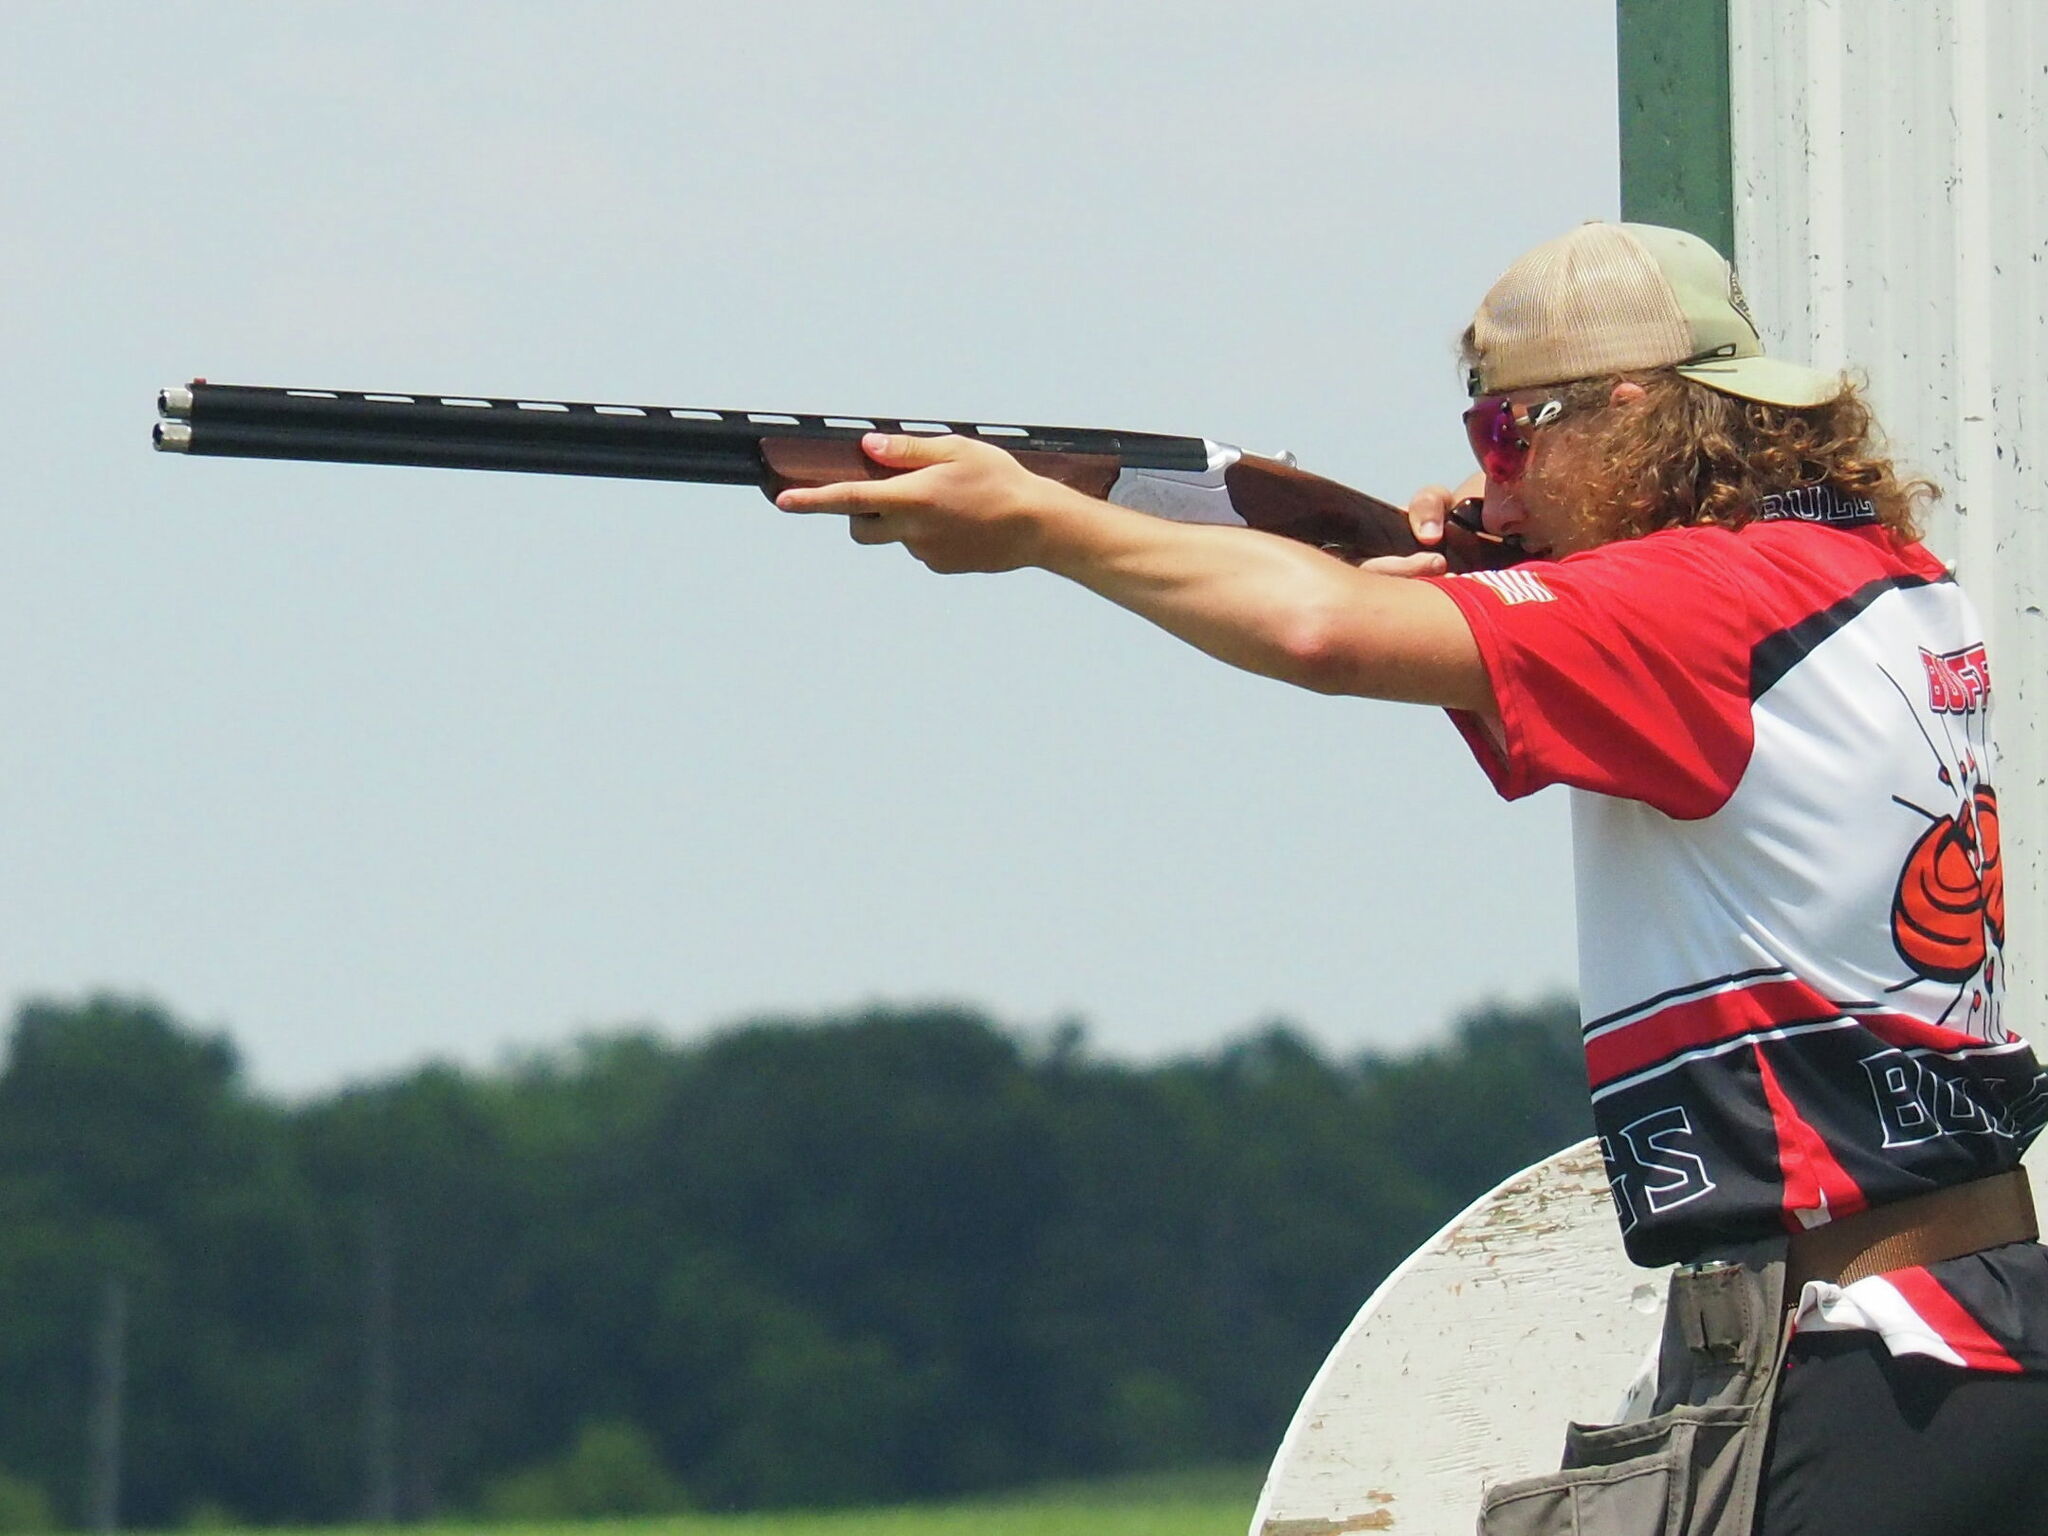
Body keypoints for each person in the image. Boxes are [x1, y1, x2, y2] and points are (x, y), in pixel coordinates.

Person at [775, 221, 2048, 1535]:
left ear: (1629, 414)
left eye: (1511, 436)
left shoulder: (1694, 605)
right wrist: (1489, 563)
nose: (1493, 486)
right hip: (1937, 1329)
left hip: (1869, 1359)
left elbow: (1319, 630)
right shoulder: (1860, 574)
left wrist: (1042, 524)